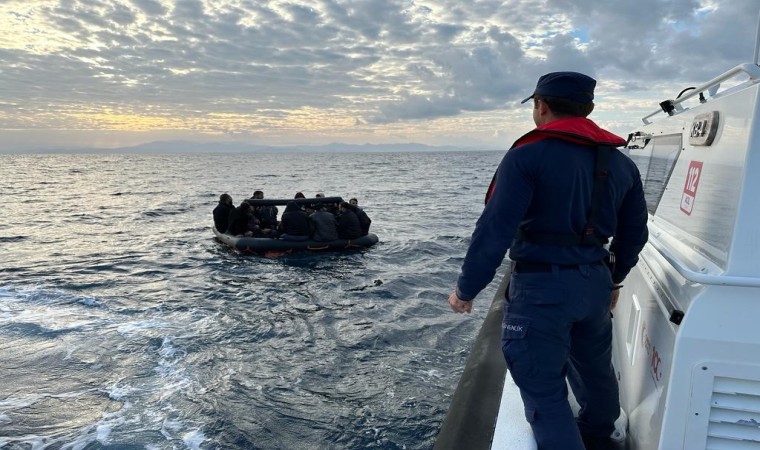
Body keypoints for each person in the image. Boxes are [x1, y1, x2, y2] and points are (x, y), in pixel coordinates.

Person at [447, 72, 648, 450]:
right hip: (595, 284)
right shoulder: (622, 165)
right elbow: (635, 234)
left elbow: (494, 230)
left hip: (540, 289)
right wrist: (614, 280)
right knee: (596, 376)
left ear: (541, 106)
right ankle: (599, 440)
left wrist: (466, 290)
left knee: (545, 396)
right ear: (588, 108)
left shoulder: (526, 155)